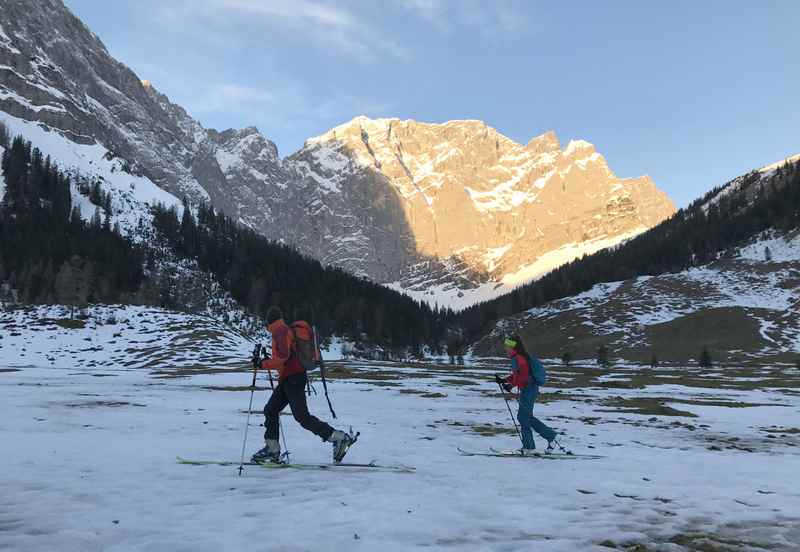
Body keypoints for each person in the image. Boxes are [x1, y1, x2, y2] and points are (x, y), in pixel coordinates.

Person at [251, 306, 355, 464]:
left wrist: (262, 364)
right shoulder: (284, 330)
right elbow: (285, 357)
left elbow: (283, 358)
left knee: (301, 416)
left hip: (293, 379)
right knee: (271, 410)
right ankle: (272, 449)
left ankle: (338, 438)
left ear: (269, 321)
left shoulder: (279, 331)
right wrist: (266, 361)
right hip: (289, 379)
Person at [495, 334, 561, 454]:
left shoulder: (519, 359)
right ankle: (551, 437)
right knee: (526, 417)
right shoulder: (517, 357)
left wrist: (511, 385)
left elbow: (524, 377)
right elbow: (518, 375)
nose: (505, 348)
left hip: (529, 390)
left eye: (507, 346)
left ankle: (530, 447)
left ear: (513, 347)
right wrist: (505, 380)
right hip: (528, 389)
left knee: (523, 417)